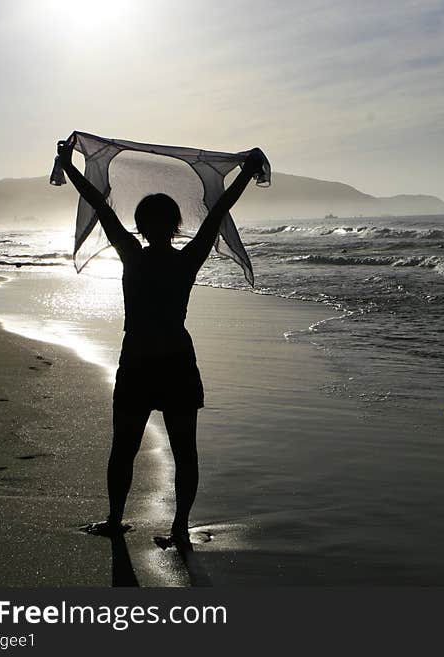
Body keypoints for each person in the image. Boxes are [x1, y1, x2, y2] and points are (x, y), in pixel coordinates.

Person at [57, 137, 265, 546]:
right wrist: (244, 172)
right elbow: (219, 210)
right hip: (177, 363)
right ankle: (178, 529)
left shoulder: (132, 255)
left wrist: (69, 165)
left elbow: (100, 205)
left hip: (137, 362)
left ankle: (116, 520)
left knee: (125, 448)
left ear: (141, 224)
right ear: (174, 226)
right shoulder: (188, 259)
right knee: (184, 451)